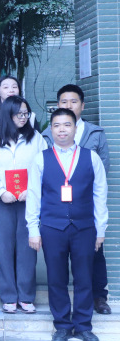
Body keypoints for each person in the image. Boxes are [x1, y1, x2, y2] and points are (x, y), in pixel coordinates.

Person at [26, 108, 108, 341]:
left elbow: (100, 195)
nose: (62, 130)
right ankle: (62, 325)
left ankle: (83, 326)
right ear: (51, 130)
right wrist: (33, 229)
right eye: (57, 125)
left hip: (84, 227)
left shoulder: (91, 157)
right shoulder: (41, 158)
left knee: (84, 277)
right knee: (56, 278)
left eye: (67, 125)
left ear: (75, 128)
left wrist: (100, 230)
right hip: (52, 227)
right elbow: (34, 196)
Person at [42, 84, 112, 315]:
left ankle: (98, 298)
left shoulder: (94, 133)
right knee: (58, 271)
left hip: (85, 209)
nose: (69, 105)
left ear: (82, 105)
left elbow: (102, 171)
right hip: (57, 212)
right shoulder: (47, 135)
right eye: (64, 102)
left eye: (73, 101)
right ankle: (62, 320)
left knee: (92, 260)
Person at [0, 96, 46, 314]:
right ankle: (8, 296)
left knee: (27, 247)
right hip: (0, 200)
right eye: (19, 114)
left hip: (28, 199)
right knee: (3, 247)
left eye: (26, 113)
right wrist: (0, 191)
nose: (23, 118)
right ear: (7, 114)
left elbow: (44, 165)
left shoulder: (36, 138)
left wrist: (32, 190)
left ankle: (26, 296)